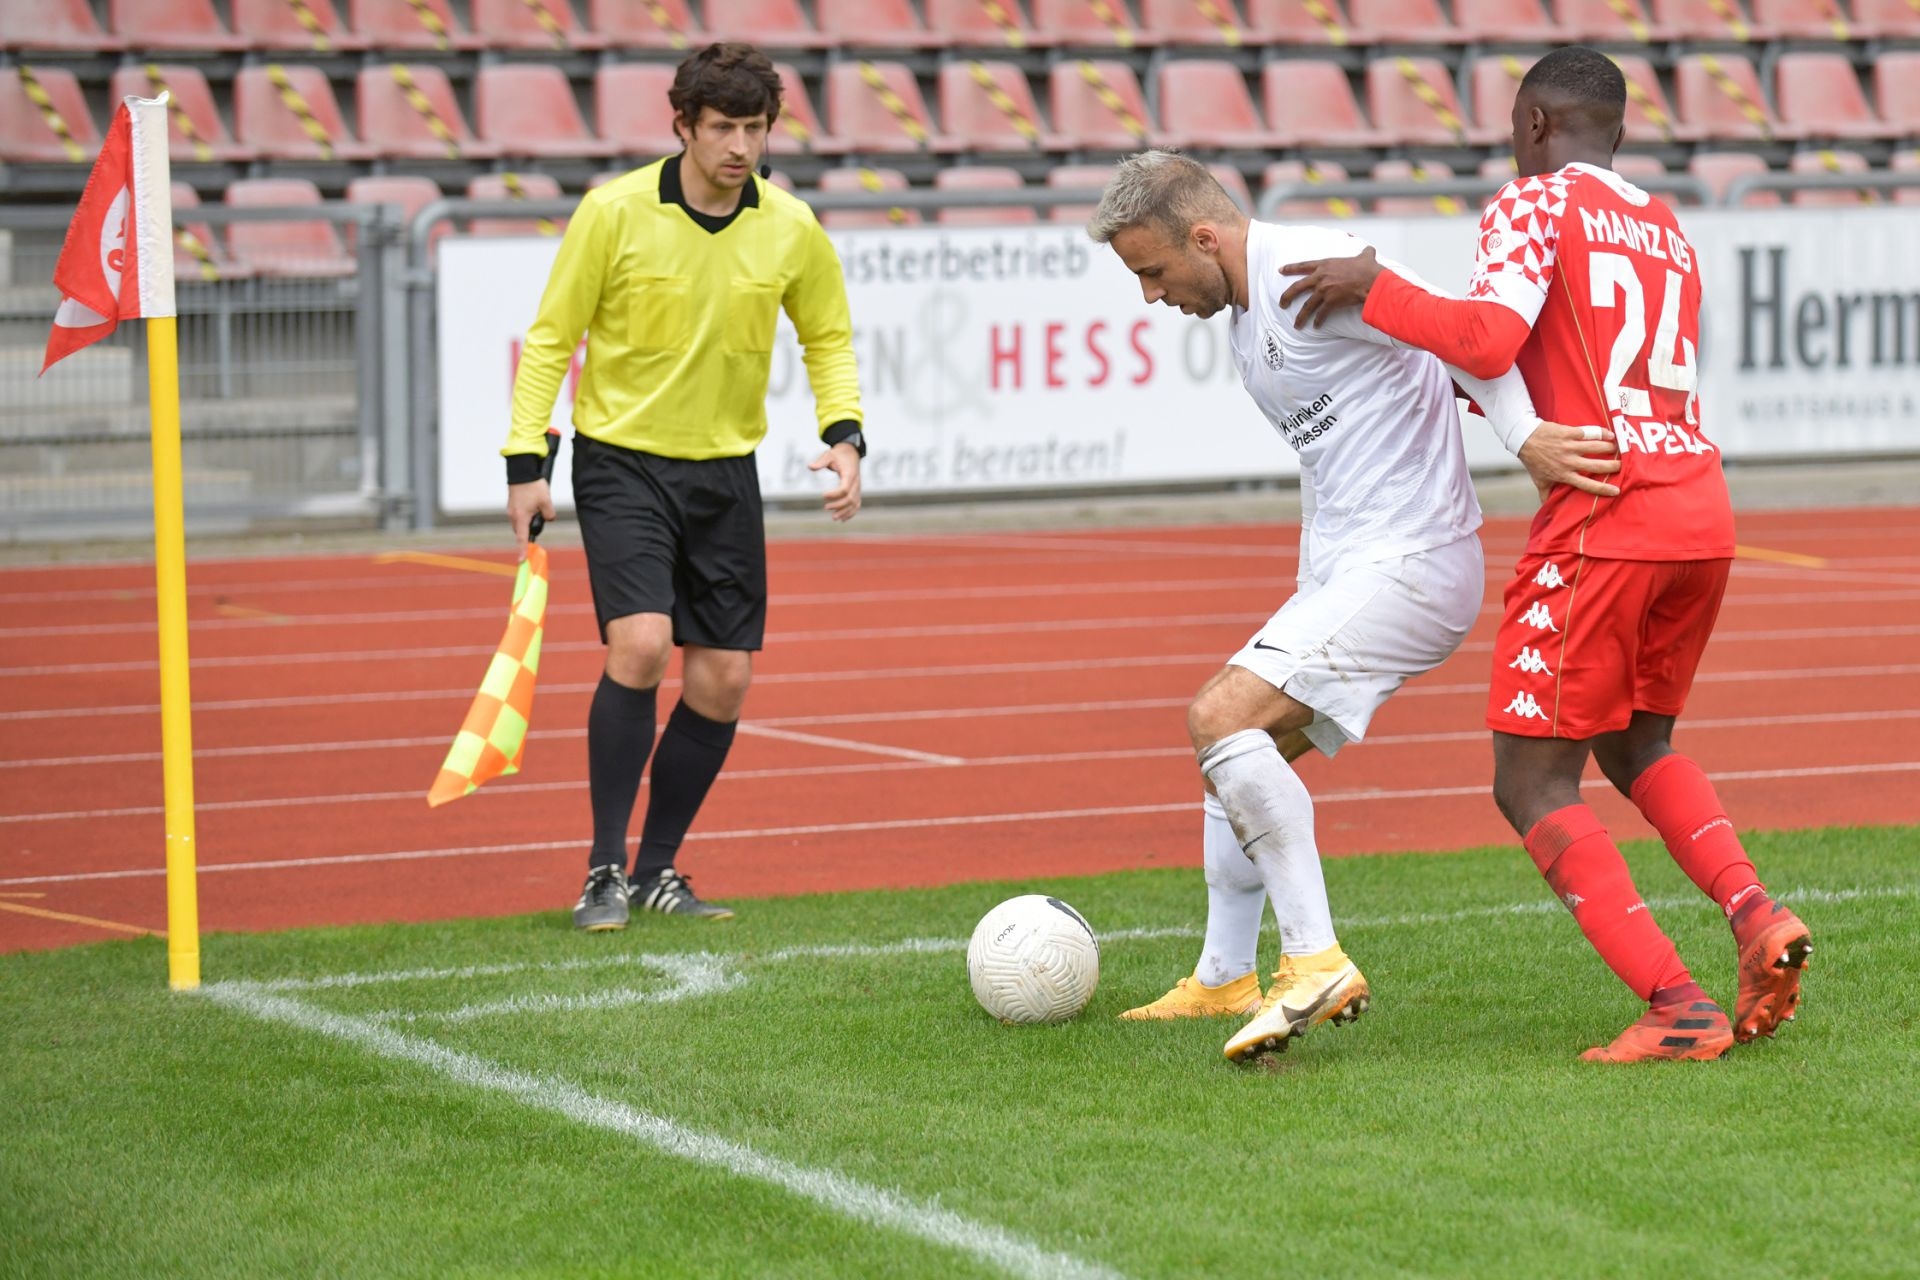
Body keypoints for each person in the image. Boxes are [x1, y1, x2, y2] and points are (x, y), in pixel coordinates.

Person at [1274, 47, 1811, 1062]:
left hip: (1606, 516)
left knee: (1529, 780)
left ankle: (1676, 1005)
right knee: (1638, 745)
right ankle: (1756, 913)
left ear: (1532, 125)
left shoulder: (1531, 204)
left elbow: (1484, 339)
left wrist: (1375, 287)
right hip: (1700, 503)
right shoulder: (1664, 226)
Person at [1087, 151, 1601, 1063]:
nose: (1151, 296)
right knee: (1235, 751)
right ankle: (1222, 976)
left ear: (1204, 237)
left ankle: (1313, 959)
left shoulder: (1308, 267)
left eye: (1153, 271)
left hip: (1412, 560)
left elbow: (1458, 335)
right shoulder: (1249, 311)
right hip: (1355, 568)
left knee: (1221, 717)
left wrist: (1523, 437)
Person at [504, 42, 867, 931]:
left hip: (725, 474)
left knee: (723, 683)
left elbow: (828, 336)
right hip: (622, 460)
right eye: (723, 128)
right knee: (640, 648)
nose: (740, 145)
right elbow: (551, 338)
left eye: (755, 127)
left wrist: (844, 435)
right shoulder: (613, 212)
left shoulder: (790, 224)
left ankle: (658, 870)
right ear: (684, 128)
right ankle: (602, 869)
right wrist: (526, 462)